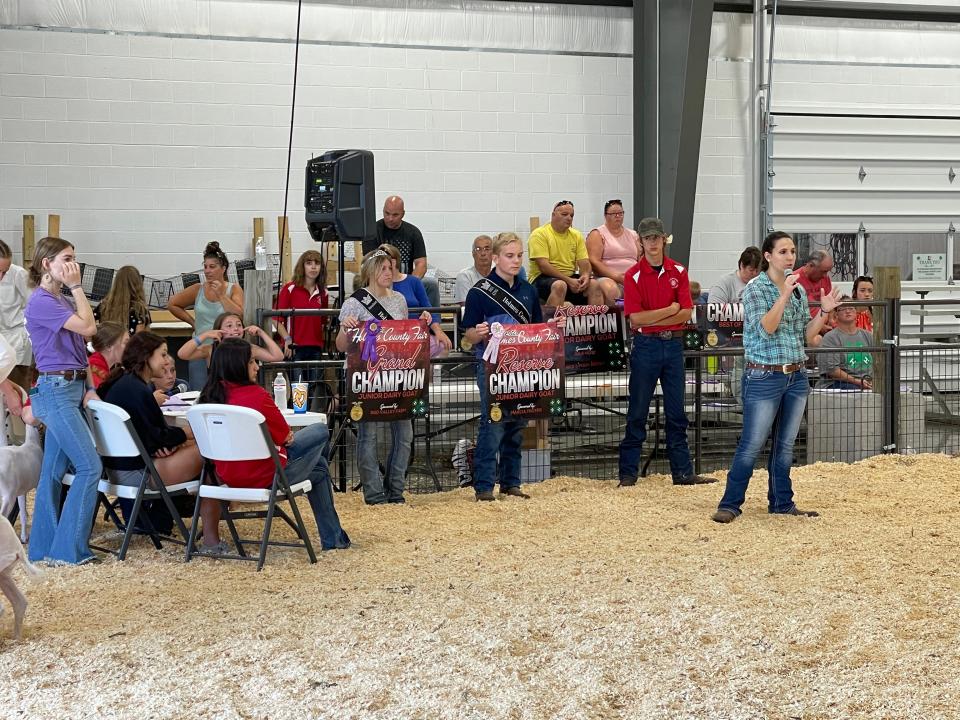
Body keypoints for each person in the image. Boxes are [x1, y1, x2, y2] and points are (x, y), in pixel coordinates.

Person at [712, 231, 842, 524]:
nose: (790, 256)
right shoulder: (756, 289)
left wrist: (823, 313)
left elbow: (804, 336)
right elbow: (768, 327)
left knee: (785, 445)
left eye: (792, 251)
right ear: (768, 256)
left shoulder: (795, 290)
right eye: (783, 251)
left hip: (795, 376)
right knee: (752, 443)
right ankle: (730, 502)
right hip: (763, 376)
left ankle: (782, 502)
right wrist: (783, 294)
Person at [197, 338, 350, 552]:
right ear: (237, 365)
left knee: (319, 465)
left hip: (228, 476)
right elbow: (286, 437)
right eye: (252, 362)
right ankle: (334, 541)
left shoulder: (207, 400)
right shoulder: (257, 396)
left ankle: (336, 539)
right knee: (321, 433)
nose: (257, 366)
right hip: (268, 476)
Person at [462, 232, 565, 501]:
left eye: (519, 255)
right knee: (493, 423)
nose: (516, 261)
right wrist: (479, 333)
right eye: (510, 256)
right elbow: (468, 336)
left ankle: (511, 482)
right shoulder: (479, 293)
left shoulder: (528, 290)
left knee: (517, 424)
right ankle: (484, 486)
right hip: (491, 367)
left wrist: (551, 327)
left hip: (522, 366)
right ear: (495, 258)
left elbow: (534, 330)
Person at [617, 218, 716, 488]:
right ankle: (628, 474)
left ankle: (682, 473)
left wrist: (658, 317)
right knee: (637, 411)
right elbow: (635, 319)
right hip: (649, 345)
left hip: (671, 345)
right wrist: (669, 312)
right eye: (647, 238)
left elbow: (685, 312)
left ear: (663, 240)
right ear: (641, 241)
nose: (652, 243)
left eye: (656, 238)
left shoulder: (679, 271)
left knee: (676, 413)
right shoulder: (633, 275)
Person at [24, 236, 101, 565]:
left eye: (74, 258)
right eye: (67, 258)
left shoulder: (60, 301)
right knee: (89, 466)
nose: (74, 265)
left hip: (69, 388)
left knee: (52, 472)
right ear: (47, 264)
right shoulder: (42, 301)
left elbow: (82, 351)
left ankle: (44, 549)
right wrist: (77, 287)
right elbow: (89, 329)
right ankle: (69, 552)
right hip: (56, 391)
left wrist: (90, 385)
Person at [336, 250, 432, 505]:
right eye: (382, 268)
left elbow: (403, 335)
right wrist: (347, 328)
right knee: (368, 435)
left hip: (397, 374)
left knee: (405, 434)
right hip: (368, 377)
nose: (388, 273)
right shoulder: (354, 303)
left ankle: (396, 489)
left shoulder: (400, 300)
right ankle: (374, 492)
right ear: (370, 271)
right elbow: (341, 346)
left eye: (390, 268)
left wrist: (422, 324)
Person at [98, 332, 204, 489]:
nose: (167, 360)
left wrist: (168, 442)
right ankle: (211, 509)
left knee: (192, 442)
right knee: (210, 449)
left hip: (118, 468)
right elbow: (155, 439)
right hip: (139, 472)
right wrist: (184, 433)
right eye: (163, 354)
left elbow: (152, 436)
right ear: (146, 356)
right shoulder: (136, 389)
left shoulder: (125, 383)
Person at [167, 241, 245, 389]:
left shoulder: (233, 289)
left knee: (226, 390)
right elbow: (172, 304)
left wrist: (221, 296)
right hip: (200, 349)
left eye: (212, 267)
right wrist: (192, 322)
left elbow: (239, 314)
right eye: (205, 267)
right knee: (199, 390)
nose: (207, 271)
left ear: (223, 268)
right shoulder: (198, 289)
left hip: (225, 351)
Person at [362, 196, 440, 307]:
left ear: (403, 214)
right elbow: (370, 265)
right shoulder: (372, 231)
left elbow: (421, 264)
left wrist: (410, 283)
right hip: (381, 280)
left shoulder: (413, 232)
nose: (390, 218)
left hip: (405, 278)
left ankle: (432, 321)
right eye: (387, 213)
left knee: (431, 284)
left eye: (395, 215)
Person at [380, 243, 452, 357]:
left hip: (416, 333)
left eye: (388, 259)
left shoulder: (413, 281)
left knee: (443, 345)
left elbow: (428, 307)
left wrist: (438, 331)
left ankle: (431, 374)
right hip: (390, 335)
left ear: (395, 261)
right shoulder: (378, 284)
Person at [276, 250, 328, 407]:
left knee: (312, 390)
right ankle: (295, 429)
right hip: (295, 348)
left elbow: (323, 321)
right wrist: (287, 340)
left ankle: (307, 428)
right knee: (299, 390)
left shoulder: (323, 293)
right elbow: (276, 319)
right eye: (309, 263)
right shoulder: (290, 288)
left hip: (315, 348)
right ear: (302, 266)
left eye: (317, 263)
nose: (313, 267)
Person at [528, 200, 603, 307]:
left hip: (568, 277)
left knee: (594, 285)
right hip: (541, 278)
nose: (569, 218)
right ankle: (550, 322)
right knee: (560, 285)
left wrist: (586, 275)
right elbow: (543, 266)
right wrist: (568, 281)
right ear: (553, 215)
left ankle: (594, 323)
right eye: (564, 214)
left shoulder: (576, 235)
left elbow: (584, 262)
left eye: (571, 215)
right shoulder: (539, 234)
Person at [585, 199, 641, 304]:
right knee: (611, 290)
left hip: (632, 276)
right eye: (614, 214)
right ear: (606, 216)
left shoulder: (633, 234)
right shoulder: (597, 234)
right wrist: (617, 276)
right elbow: (594, 261)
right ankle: (616, 320)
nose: (618, 216)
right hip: (606, 276)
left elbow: (641, 259)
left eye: (620, 213)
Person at [177, 311, 283, 366]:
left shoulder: (249, 348)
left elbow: (278, 356)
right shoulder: (210, 349)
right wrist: (205, 335)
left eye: (239, 325)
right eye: (229, 326)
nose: (236, 329)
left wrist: (261, 333)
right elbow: (182, 354)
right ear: (219, 330)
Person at [816, 296, 873, 390]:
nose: (848, 311)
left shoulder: (867, 335)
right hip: (837, 384)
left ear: (856, 312)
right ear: (836, 314)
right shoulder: (830, 338)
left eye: (851, 308)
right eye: (843, 309)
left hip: (864, 382)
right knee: (855, 390)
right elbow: (832, 370)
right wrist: (857, 381)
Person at [0, 238, 35, 392]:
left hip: (15, 337)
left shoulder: (18, 274)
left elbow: (34, 305)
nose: (1, 276)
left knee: (18, 390)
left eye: (4, 272)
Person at [94, 265, 150, 335]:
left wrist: (92, 343)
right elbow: (140, 338)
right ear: (138, 283)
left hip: (107, 344)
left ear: (116, 282)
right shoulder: (139, 309)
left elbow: (89, 324)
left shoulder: (104, 304)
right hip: (129, 345)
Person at [87, 321, 129, 389]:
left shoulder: (99, 365)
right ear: (109, 346)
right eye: (126, 343)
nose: (130, 347)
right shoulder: (94, 374)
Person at [454, 235, 494, 305]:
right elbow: (467, 307)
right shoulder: (465, 276)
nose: (483, 253)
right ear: (473, 253)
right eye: (478, 249)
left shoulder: (500, 276)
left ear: (493, 253)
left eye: (487, 249)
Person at [796, 249, 834, 315]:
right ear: (811, 265)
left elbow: (831, 305)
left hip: (824, 320)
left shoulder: (826, 278)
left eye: (827, 272)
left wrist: (831, 321)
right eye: (823, 271)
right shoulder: (794, 280)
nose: (825, 276)